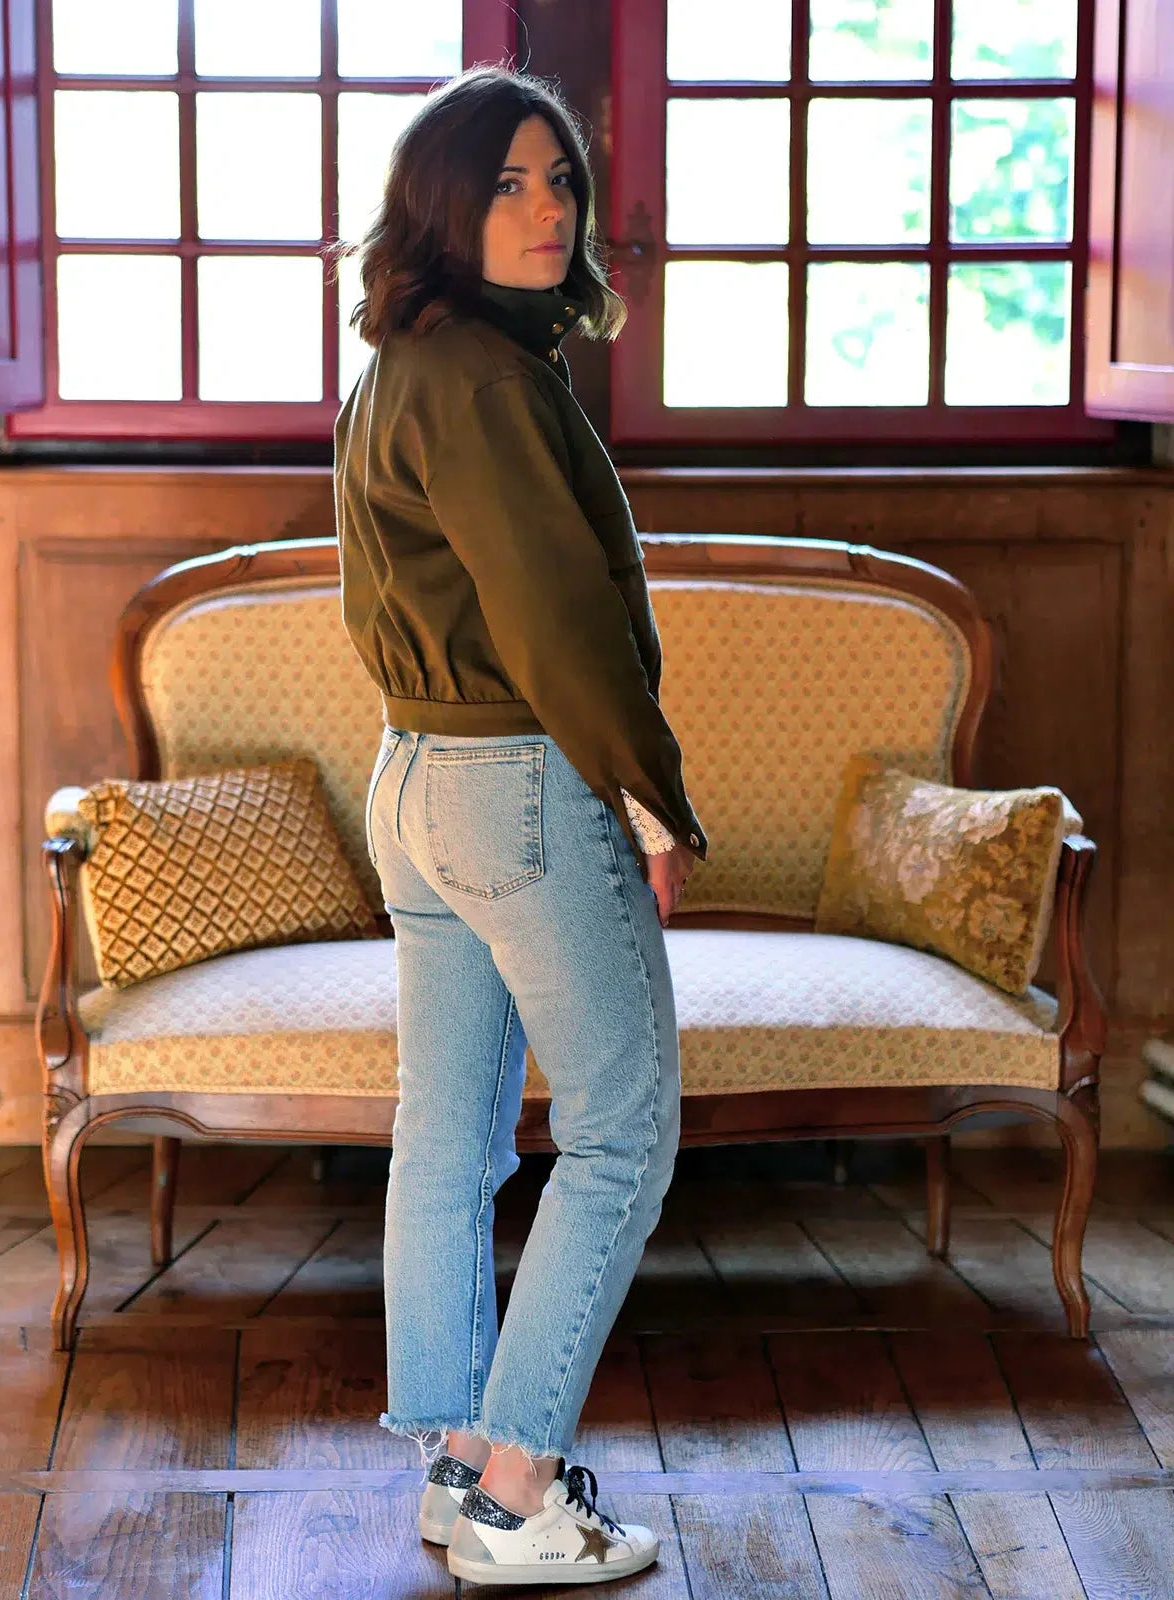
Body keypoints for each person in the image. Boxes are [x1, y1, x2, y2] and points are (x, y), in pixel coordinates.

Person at [332, 63, 708, 1586]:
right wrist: (654, 801)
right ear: (442, 205)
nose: (547, 209)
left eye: (560, 180)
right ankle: (514, 1495)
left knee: (449, 1137)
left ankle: (453, 1469)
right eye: (506, 183)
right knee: (622, 1133)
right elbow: (558, 624)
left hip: (416, 779)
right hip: (517, 784)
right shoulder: (485, 378)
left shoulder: (404, 362)